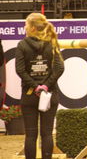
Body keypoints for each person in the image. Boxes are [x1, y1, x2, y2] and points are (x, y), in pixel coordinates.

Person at [15, 13, 64, 159]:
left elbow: (20, 70)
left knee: (30, 135)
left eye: (26, 25)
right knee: (47, 133)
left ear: (32, 28)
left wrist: (35, 86)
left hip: (29, 95)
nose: (24, 27)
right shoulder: (52, 43)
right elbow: (59, 68)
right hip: (49, 95)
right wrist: (46, 86)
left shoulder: (22, 45)